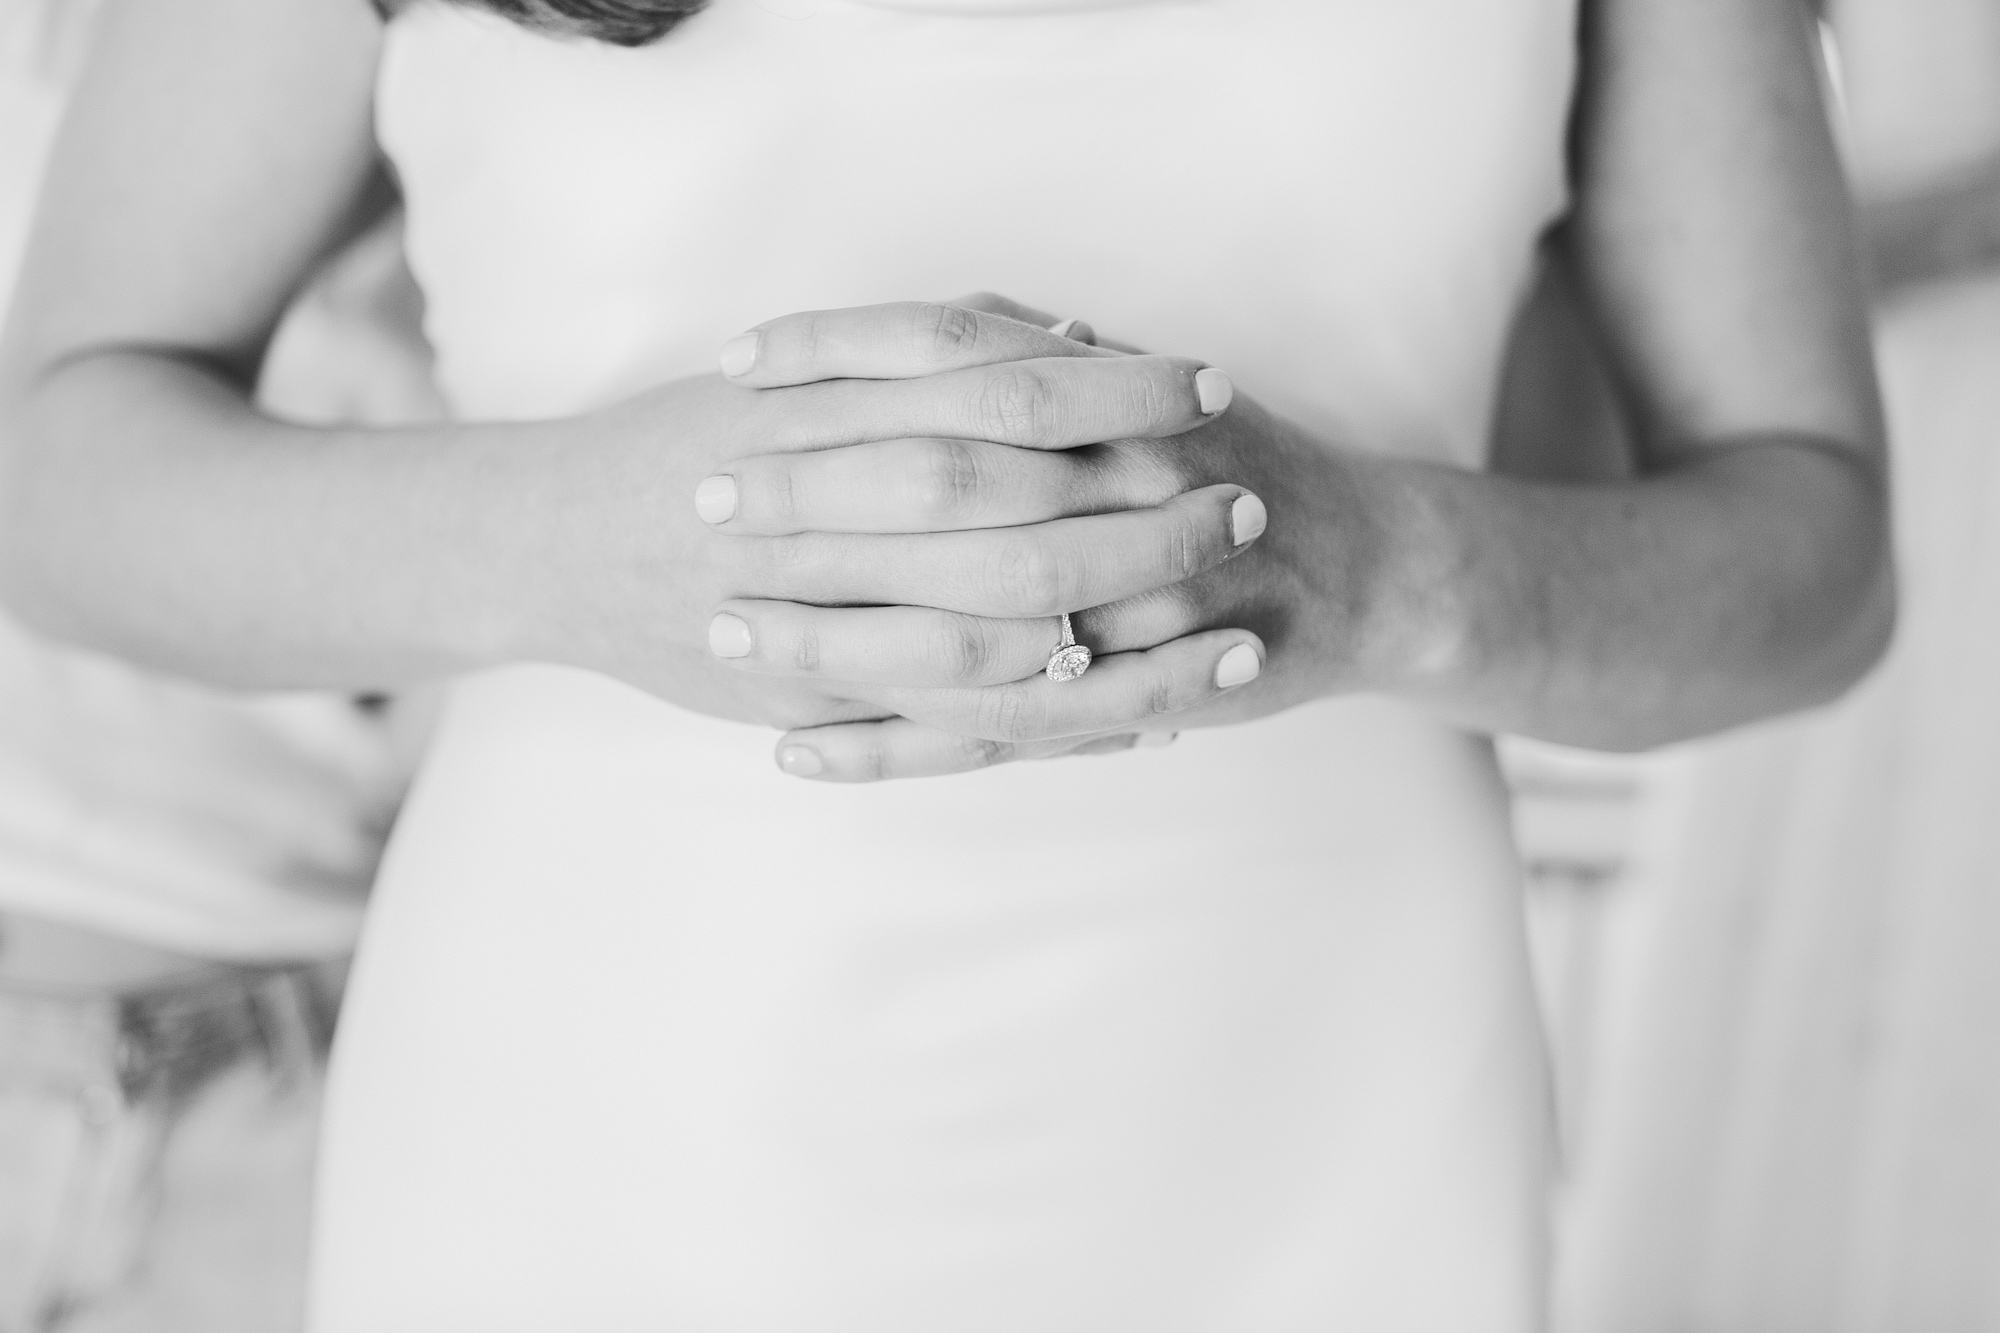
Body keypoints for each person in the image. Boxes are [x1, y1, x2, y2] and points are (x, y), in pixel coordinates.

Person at [0, 0, 1889, 1327]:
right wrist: (575, 540)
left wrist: (1388, 565)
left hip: (1318, 1109)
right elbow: (60, 477)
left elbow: (1816, 562)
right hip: (609, 1104)